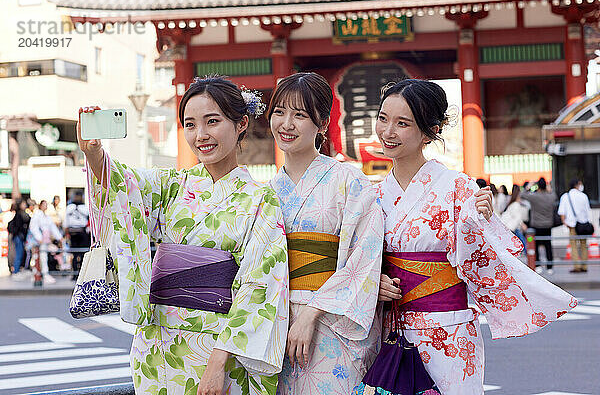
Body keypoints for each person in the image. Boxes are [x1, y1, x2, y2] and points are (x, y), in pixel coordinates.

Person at [78, 76, 289, 395]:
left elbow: (259, 286)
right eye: (190, 125)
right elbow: (122, 184)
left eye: (213, 121)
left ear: (241, 123)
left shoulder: (261, 199)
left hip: (219, 349)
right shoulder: (172, 185)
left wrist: (218, 365)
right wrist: (94, 153)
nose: (201, 135)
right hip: (158, 345)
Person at [372, 79, 576, 395]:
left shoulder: (459, 188)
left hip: (449, 328)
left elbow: (486, 262)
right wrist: (375, 280)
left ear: (429, 131)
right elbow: (358, 260)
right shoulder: (372, 194)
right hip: (393, 327)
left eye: (403, 123)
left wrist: (483, 222)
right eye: (383, 119)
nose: (388, 131)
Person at [268, 73, 385, 394]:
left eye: (299, 114)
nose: (286, 123)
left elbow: (364, 258)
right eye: (279, 112)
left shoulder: (349, 180)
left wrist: (310, 314)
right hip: (276, 324)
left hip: (332, 321)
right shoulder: (265, 192)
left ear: (321, 123)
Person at [521, 177, 557, 274]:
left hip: (536, 225)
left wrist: (529, 186)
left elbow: (522, 195)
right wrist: (550, 188)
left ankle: (538, 265)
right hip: (548, 225)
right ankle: (550, 266)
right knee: (548, 245)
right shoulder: (550, 197)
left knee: (535, 245)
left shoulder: (534, 196)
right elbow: (554, 195)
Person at [558, 178, 592, 273]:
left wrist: (564, 222)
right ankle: (584, 266)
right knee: (584, 245)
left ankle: (577, 266)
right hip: (583, 225)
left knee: (574, 246)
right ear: (577, 185)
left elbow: (561, 212)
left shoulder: (565, 196)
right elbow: (588, 211)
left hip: (571, 225)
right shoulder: (584, 196)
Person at [27, 200, 63, 284]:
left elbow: (52, 227)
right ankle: (40, 274)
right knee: (39, 257)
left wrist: (59, 237)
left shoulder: (46, 217)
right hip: (39, 240)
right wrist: (39, 237)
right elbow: (33, 227)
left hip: (44, 239)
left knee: (43, 257)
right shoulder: (37, 215)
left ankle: (41, 273)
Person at [64, 190, 90, 279]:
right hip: (73, 231)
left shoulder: (84, 208)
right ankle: (75, 274)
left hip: (82, 231)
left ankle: (82, 273)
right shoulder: (70, 207)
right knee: (75, 254)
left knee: (83, 254)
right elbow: (66, 220)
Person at [500, 185, 529, 252]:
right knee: (523, 247)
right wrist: (522, 225)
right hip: (513, 229)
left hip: (509, 228)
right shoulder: (516, 205)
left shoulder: (511, 204)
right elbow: (517, 218)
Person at [8, 199, 30, 278]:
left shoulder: (21, 214)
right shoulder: (19, 214)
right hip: (18, 237)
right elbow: (19, 227)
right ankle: (16, 271)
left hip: (18, 236)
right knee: (18, 254)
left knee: (19, 254)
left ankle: (17, 270)